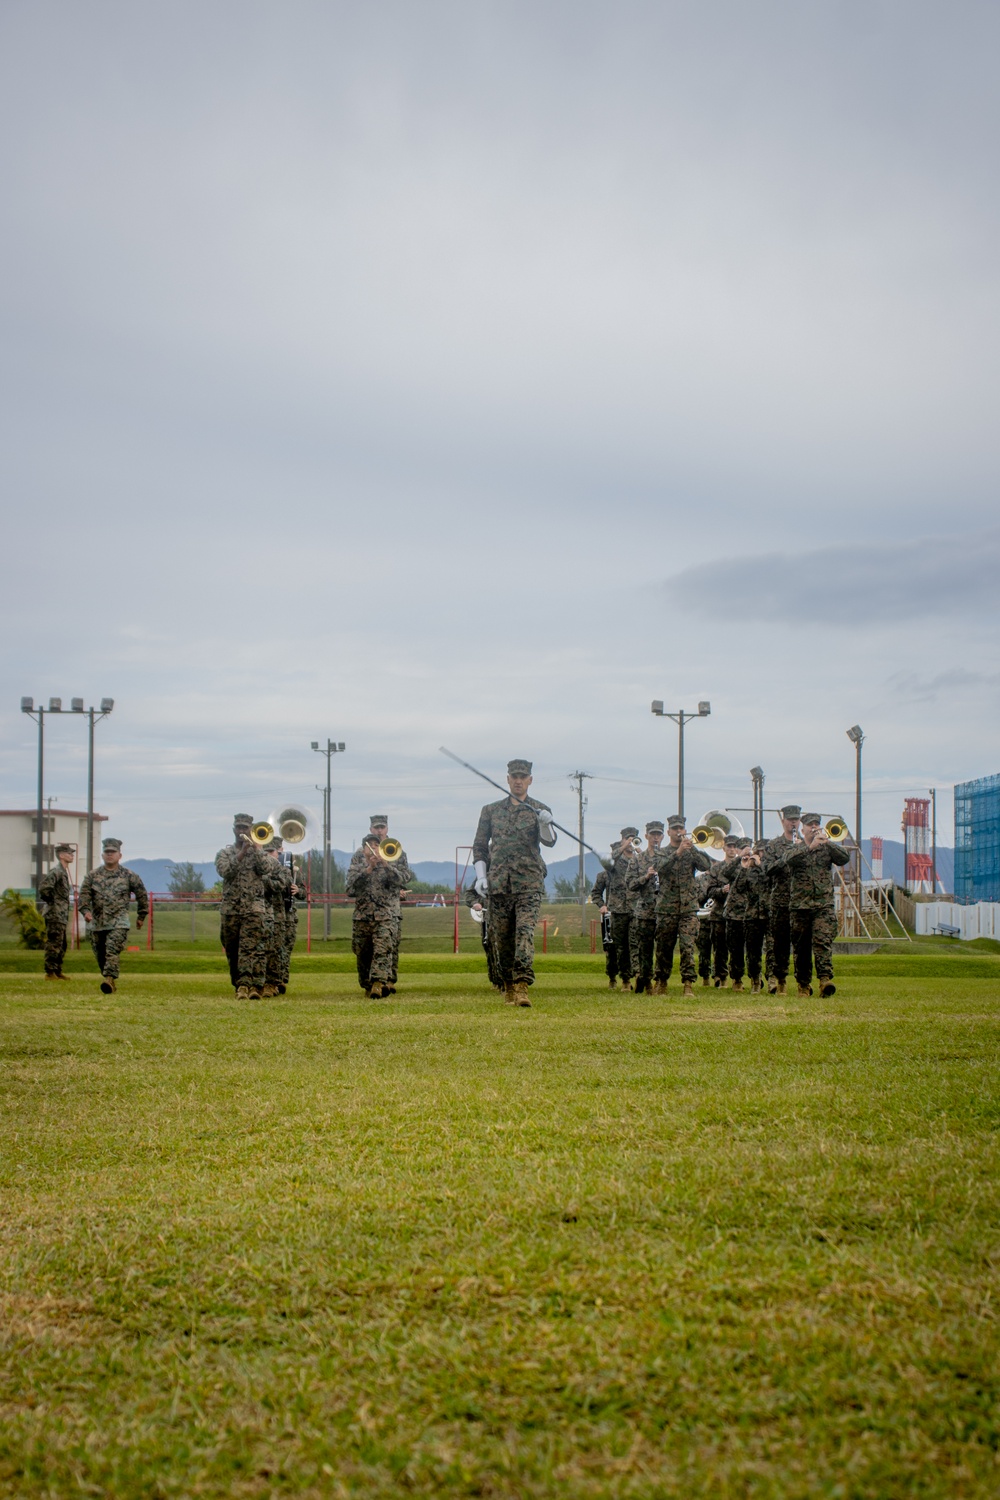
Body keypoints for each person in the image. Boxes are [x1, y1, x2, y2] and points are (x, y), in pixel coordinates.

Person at [472, 757, 557, 1006]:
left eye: (523, 777)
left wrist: (545, 824)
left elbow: (550, 841)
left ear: (530, 780)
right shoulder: (490, 811)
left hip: (528, 883)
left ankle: (521, 985)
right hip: (499, 884)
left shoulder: (540, 809)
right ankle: (508, 984)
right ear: (508, 779)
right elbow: (479, 846)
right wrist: (481, 876)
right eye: (514, 777)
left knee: (524, 934)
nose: (518, 781)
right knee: (501, 938)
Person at [780, 814, 851, 997]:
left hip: (823, 905)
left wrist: (827, 842)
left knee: (822, 942)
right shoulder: (795, 847)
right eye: (809, 825)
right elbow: (787, 860)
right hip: (800, 906)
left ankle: (825, 980)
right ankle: (803, 985)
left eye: (816, 824)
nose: (813, 827)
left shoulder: (826, 847)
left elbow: (844, 858)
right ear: (802, 829)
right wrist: (809, 847)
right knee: (801, 948)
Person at [215, 815, 283, 1000]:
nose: (242, 831)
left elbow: (267, 868)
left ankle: (249, 985)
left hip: (254, 908)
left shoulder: (258, 852)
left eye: (245, 828)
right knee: (232, 949)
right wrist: (242, 852)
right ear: (233, 830)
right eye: (239, 828)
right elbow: (225, 872)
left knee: (251, 948)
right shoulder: (224, 853)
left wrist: (258, 849)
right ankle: (239, 982)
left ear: (251, 829)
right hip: (231, 909)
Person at [649, 815, 711, 995]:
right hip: (667, 907)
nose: (678, 832)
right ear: (668, 832)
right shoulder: (662, 851)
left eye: (681, 829)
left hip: (688, 907)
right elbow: (660, 868)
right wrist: (678, 853)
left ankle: (688, 984)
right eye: (675, 829)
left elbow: (705, 865)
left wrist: (693, 850)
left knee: (687, 946)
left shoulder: (691, 851)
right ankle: (661, 981)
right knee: (663, 947)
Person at [78, 838, 148, 995]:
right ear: (102, 855)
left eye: (113, 852)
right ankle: (108, 978)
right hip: (97, 923)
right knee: (101, 955)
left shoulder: (129, 875)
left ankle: (109, 979)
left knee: (112, 951)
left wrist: (141, 915)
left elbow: (142, 895)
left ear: (119, 855)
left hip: (119, 922)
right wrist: (86, 912)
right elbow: (83, 897)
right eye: (107, 852)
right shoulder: (92, 876)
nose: (110, 855)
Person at [346, 833, 412, 997]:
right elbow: (350, 889)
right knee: (362, 952)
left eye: (376, 845)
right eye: (369, 846)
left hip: (384, 916)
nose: (373, 848)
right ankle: (368, 984)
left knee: (382, 950)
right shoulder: (357, 867)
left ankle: (378, 982)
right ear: (363, 850)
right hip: (362, 917)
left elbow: (402, 879)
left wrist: (386, 865)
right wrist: (368, 869)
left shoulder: (389, 865)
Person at [590, 828, 639, 990]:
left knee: (635, 944)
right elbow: (596, 892)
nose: (631, 843)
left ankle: (635, 976)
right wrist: (602, 905)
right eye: (628, 839)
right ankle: (618, 977)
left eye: (633, 839)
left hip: (636, 910)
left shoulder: (638, 860)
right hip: (616, 911)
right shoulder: (612, 865)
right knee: (617, 947)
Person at [761, 804, 802, 996]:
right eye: (790, 819)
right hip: (780, 901)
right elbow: (767, 870)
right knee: (780, 944)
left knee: (802, 944)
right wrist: (787, 856)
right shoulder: (774, 845)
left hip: (802, 901)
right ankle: (781, 979)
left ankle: (803, 982)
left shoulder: (805, 843)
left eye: (796, 819)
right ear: (783, 821)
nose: (793, 822)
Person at [696, 833, 740, 986]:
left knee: (736, 948)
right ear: (724, 847)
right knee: (719, 948)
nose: (732, 849)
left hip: (738, 913)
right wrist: (722, 891)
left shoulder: (743, 866)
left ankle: (737, 978)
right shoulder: (717, 868)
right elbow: (709, 891)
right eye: (729, 846)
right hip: (719, 913)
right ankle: (721, 977)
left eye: (735, 846)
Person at [725, 841, 768, 992]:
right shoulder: (741, 865)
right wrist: (742, 863)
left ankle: (757, 979)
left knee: (754, 950)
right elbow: (734, 881)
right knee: (736, 950)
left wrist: (760, 864)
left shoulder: (766, 868)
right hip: (737, 913)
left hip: (758, 914)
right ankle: (737, 978)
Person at [627, 820, 664, 993]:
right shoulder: (638, 859)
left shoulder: (666, 857)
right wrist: (646, 877)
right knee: (645, 948)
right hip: (645, 911)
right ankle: (645, 979)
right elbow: (630, 884)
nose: (655, 838)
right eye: (653, 834)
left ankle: (659, 980)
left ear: (662, 836)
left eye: (658, 834)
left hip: (664, 909)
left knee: (662, 948)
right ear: (646, 836)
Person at [261, 837, 298, 997]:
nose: (269, 854)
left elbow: (282, 885)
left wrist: (299, 890)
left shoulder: (283, 870)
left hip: (279, 916)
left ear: (278, 853)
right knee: (260, 950)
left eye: (272, 851)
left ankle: (273, 982)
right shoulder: (259, 868)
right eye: (266, 851)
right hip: (260, 914)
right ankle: (259, 981)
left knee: (276, 950)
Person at [37, 842, 74, 980]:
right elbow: (44, 889)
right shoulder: (56, 872)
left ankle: (57, 970)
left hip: (61, 914)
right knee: (54, 943)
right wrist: (53, 903)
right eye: (69, 853)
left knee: (61, 943)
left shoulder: (63, 872)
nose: (72, 856)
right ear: (61, 855)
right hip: (55, 914)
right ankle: (50, 972)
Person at [466, 883, 504, 991]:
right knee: (490, 948)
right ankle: (496, 980)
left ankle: (506, 981)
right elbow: (469, 894)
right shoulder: (484, 875)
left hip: (505, 916)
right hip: (488, 917)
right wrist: (475, 903)